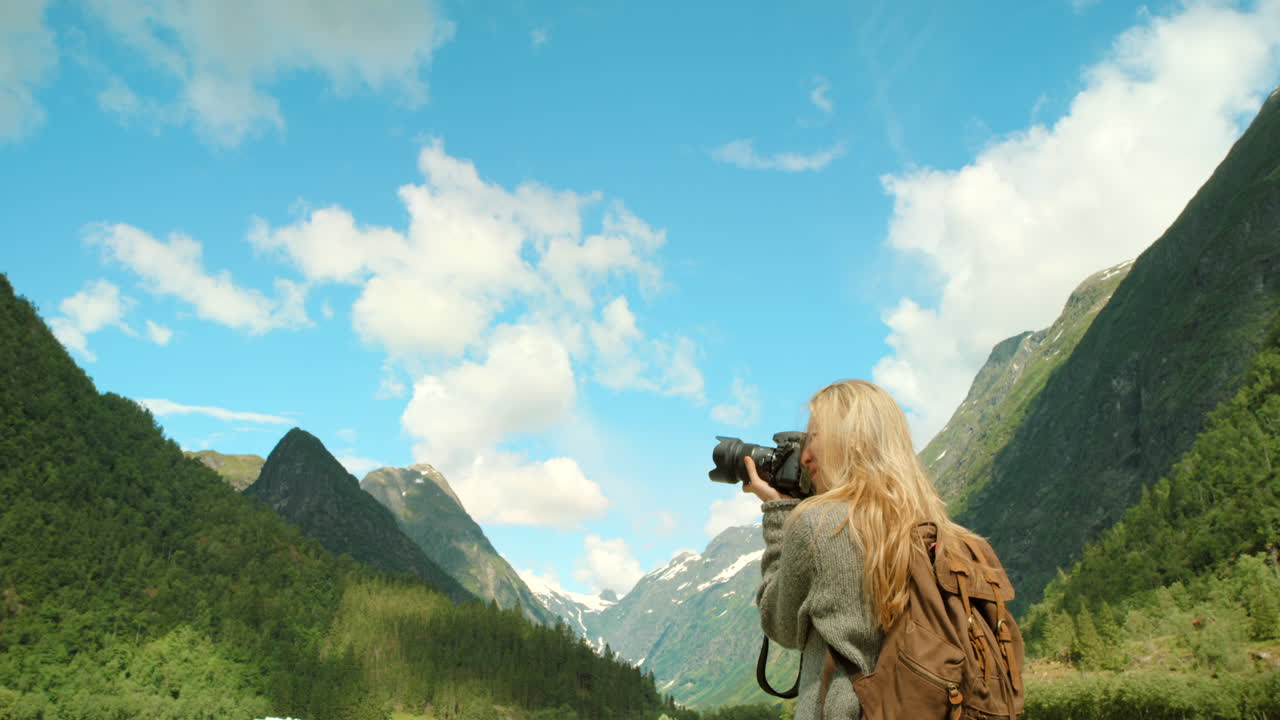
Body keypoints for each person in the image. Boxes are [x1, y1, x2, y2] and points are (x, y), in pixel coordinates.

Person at [743, 379, 985, 720]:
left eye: (812, 438)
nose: (806, 456)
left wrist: (780, 516)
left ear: (848, 441)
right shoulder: (943, 533)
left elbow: (781, 625)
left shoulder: (817, 524)